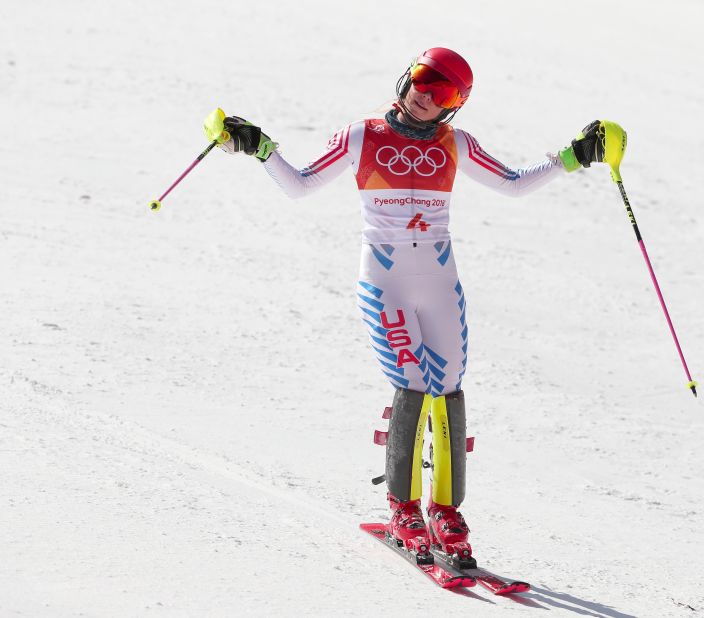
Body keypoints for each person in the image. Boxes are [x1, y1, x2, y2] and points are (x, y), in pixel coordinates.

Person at [210, 47, 611, 560]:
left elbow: (512, 185)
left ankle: (445, 510)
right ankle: (402, 508)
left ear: (454, 106)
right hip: (386, 281)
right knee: (413, 383)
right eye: (423, 80)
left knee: (448, 387)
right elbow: (302, 185)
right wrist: (259, 147)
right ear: (406, 78)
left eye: (442, 92)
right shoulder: (362, 136)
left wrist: (574, 156)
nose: (426, 95)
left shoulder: (456, 143)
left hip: (441, 282)